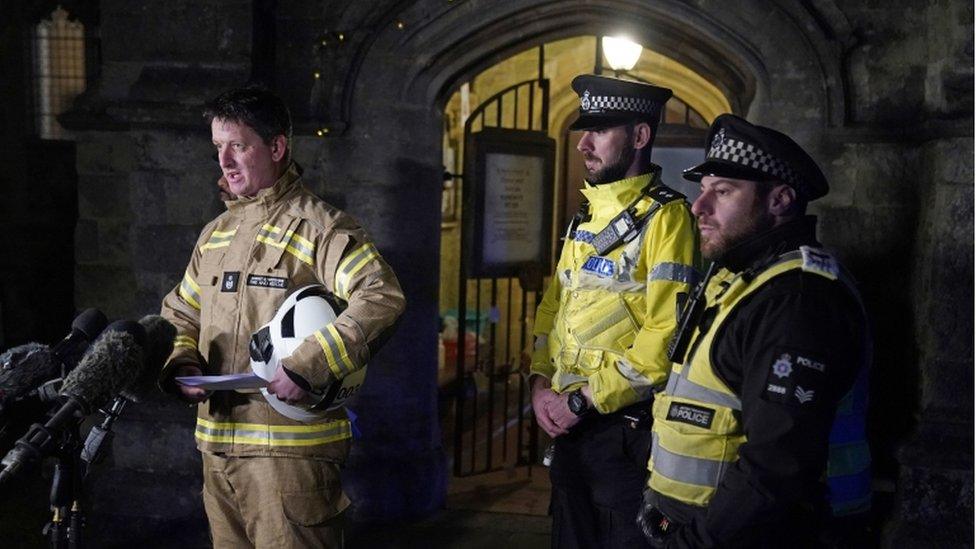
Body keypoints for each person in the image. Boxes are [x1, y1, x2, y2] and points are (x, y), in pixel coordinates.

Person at [158, 86, 405, 548]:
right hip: (217, 453)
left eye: (239, 146)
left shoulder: (321, 228)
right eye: (218, 148)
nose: (225, 162)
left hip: (290, 459)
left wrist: (308, 364)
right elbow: (179, 312)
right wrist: (183, 363)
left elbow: (380, 296)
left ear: (276, 147)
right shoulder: (216, 235)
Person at [638, 114, 870, 548]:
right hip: (697, 523)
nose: (698, 207)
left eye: (722, 192)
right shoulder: (744, 278)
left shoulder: (796, 299)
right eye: (703, 190)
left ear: (780, 200)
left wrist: (696, 542)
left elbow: (777, 463)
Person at [528, 74, 699, 548]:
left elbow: (666, 337)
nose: (583, 143)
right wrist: (539, 382)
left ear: (640, 136)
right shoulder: (585, 216)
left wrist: (582, 401)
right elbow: (553, 309)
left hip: (621, 432)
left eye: (599, 130)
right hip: (568, 428)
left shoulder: (669, 219)